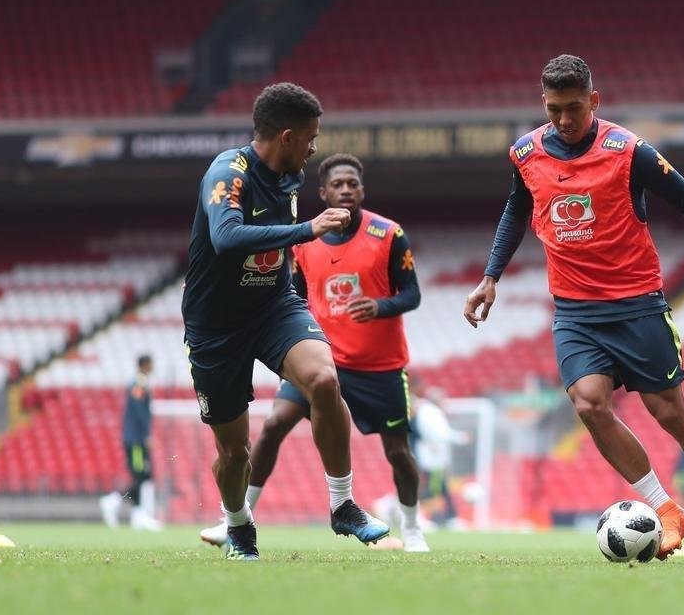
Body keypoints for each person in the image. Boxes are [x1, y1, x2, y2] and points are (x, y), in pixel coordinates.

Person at [463, 54, 684, 563]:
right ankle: (665, 509)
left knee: (670, 414)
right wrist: (491, 276)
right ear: (543, 103)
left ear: (594, 101)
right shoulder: (525, 153)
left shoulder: (629, 151)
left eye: (574, 108)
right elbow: (518, 207)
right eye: (554, 109)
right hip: (576, 311)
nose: (563, 119)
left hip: (637, 304)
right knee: (587, 404)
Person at [182, 82, 388, 561]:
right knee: (235, 453)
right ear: (289, 136)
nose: (316, 148)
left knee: (322, 377)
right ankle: (238, 526)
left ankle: (343, 505)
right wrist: (308, 229)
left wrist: (293, 290)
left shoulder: (289, 174)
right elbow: (227, 237)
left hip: (274, 309)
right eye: (312, 138)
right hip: (216, 326)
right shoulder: (226, 173)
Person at [199, 153, 427, 552]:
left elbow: (413, 293)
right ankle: (235, 518)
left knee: (399, 452)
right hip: (323, 358)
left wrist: (380, 306)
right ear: (322, 193)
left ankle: (412, 527)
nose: (345, 190)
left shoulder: (389, 234)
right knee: (272, 427)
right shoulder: (304, 239)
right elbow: (295, 297)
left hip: (378, 365)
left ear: (361, 189)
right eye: (337, 185)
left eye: (352, 184)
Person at [99, 354, 163, 531]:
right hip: (136, 439)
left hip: (136, 438)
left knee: (143, 476)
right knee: (140, 475)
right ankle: (114, 502)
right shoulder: (139, 385)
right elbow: (139, 412)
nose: (153, 367)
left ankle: (137, 514)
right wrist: (146, 435)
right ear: (144, 365)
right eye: (151, 364)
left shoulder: (140, 384)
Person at [413, 385, 469, 527]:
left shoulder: (431, 411)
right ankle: (423, 517)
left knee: (439, 488)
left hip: (435, 459)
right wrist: (461, 437)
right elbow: (439, 434)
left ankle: (448, 517)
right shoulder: (429, 412)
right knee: (431, 488)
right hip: (430, 459)